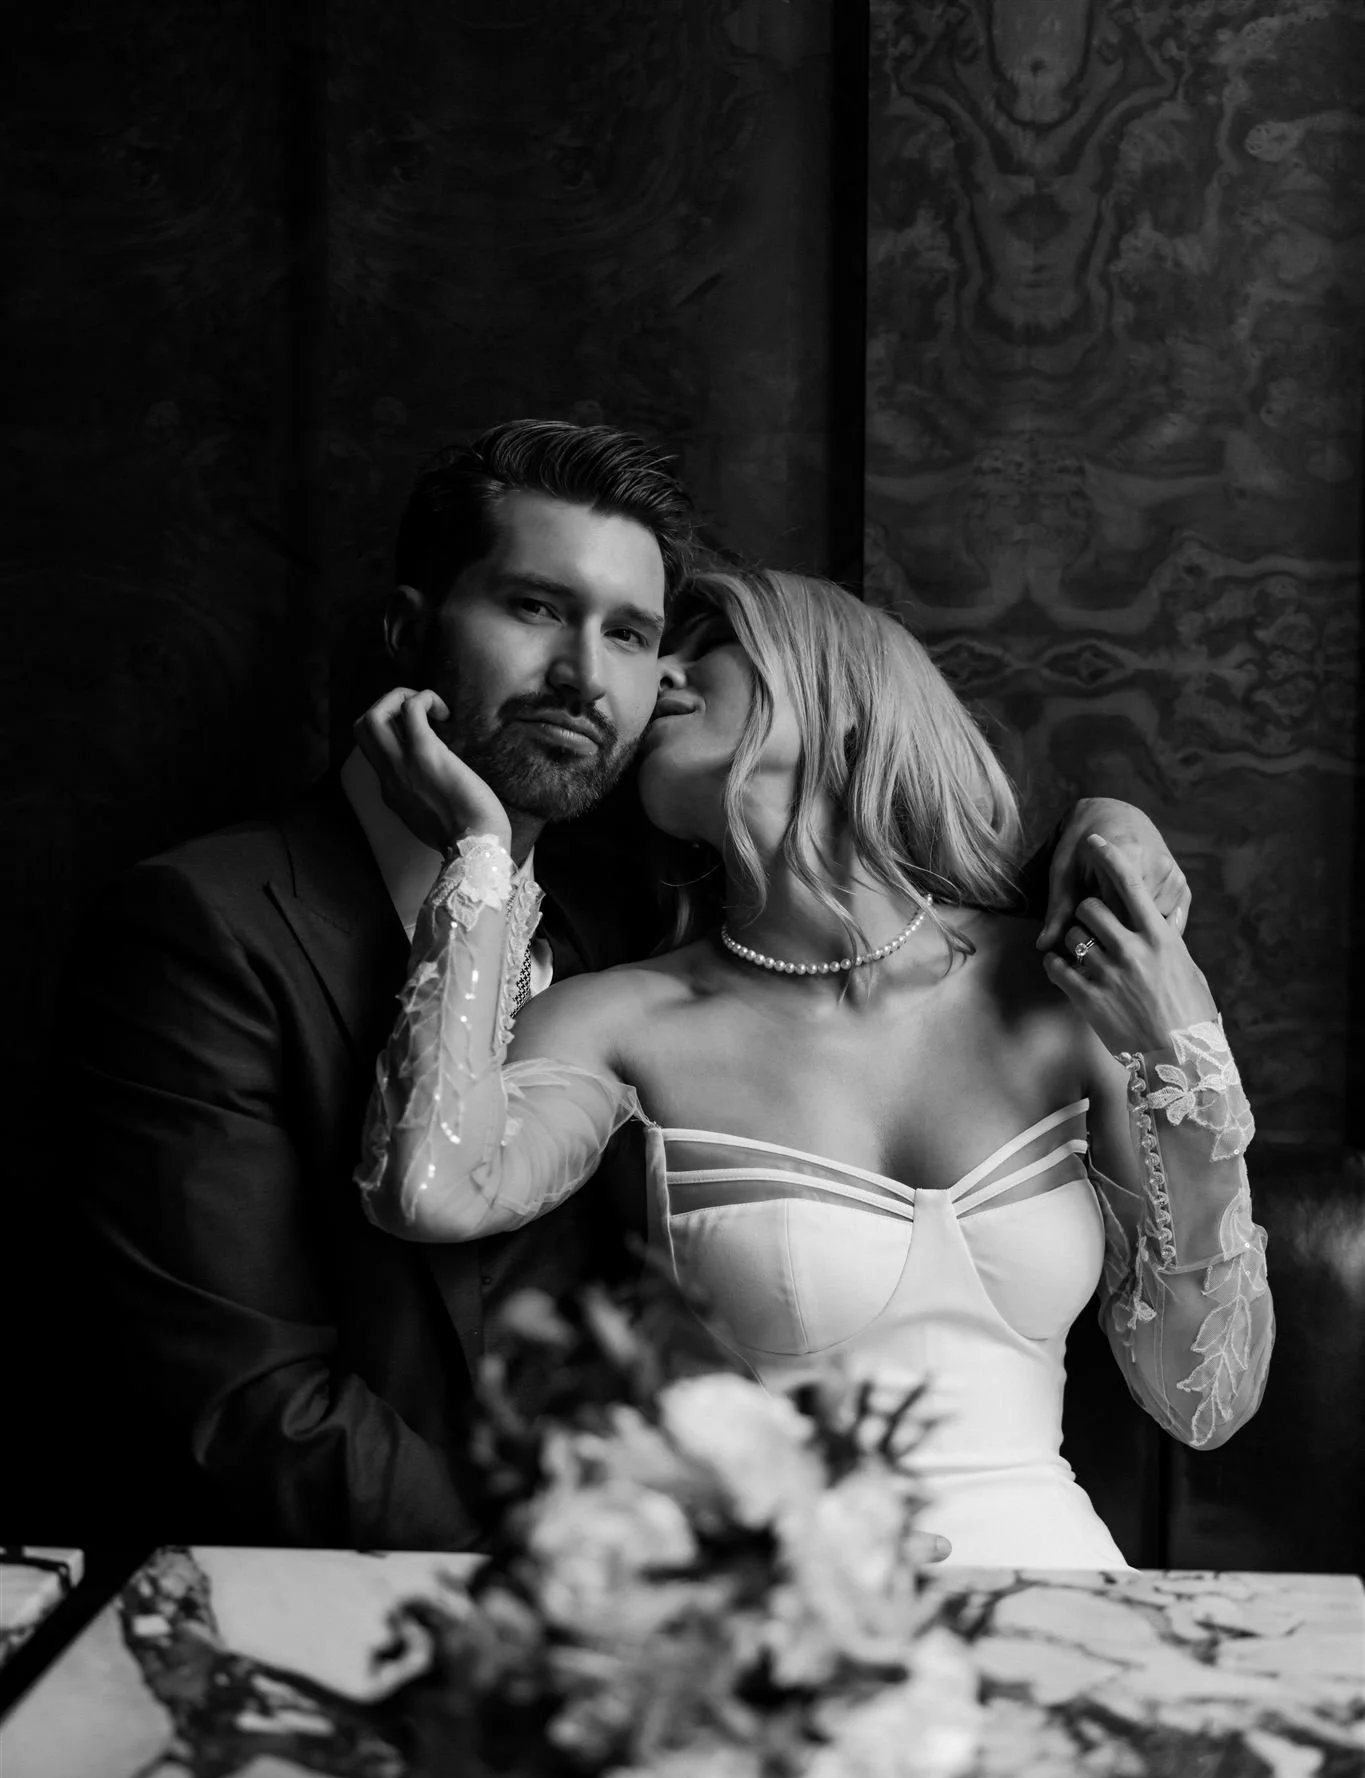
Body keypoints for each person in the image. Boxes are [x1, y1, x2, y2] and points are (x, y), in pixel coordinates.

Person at [81, 419, 1193, 1551]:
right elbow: (253, 1404)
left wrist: (1116, 827)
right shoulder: (208, 925)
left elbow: (930, 908)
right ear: (409, 630)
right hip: (438, 1598)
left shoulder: (634, 909)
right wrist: (619, 1585)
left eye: (633, 633)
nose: (593, 675)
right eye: (533, 607)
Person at [356, 564, 1275, 1569]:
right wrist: (480, 849)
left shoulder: (1057, 982)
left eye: (711, 646)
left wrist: (1185, 1050)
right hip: (788, 1631)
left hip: (1067, 1601)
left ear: (848, 702)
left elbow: (1204, 1399)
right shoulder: (625, 1021)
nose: (658, 672)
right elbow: (432, 1190)